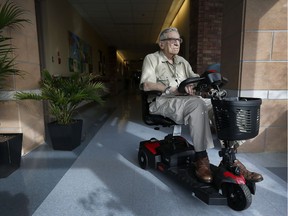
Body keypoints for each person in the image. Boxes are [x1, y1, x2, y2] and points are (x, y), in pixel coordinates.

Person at [140, 27, 263, 183]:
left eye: (179, 40)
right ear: (162, 44)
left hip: (185, 100)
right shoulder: (152, 59)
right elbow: (146, 85)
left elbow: (194, 79)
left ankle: (230, 158)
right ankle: (201, 158)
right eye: (172, 39)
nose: (177, 43)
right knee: (197, 104)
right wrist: (170, 89)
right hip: (162, 101)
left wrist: (206, 84)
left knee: (222, 106)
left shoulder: (182, 62)